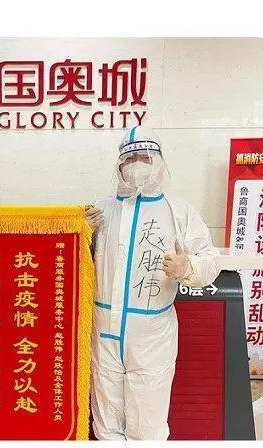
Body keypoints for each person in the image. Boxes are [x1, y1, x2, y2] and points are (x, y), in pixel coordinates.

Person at [85, 126, 220, 440]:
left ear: (159, 162)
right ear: (119, 165)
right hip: (103, 329)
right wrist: (81, 233)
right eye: (129, 158)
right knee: (105, 418)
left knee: (148, 421)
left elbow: (210, 259)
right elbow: (79, 260)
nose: (136, 165)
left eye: (144, 157)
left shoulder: (178, 211)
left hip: (151, 334)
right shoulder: (101, 209)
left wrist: (188, 266)